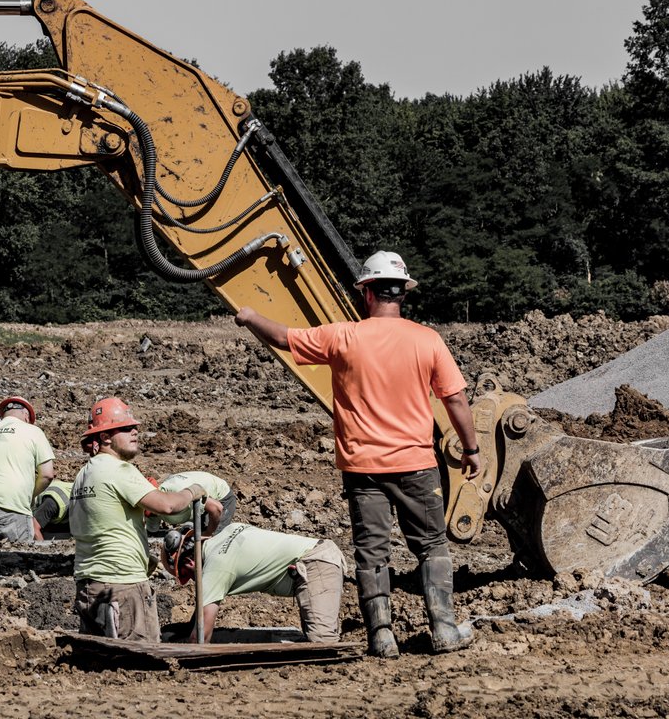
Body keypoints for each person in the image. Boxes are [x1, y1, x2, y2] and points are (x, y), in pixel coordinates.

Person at [235, 250, 482, 657]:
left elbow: (283, 338)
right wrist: (470, 448)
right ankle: (444, 627)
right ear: (402, 292)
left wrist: (249, 317)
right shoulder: (428, 340)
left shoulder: (342, 336)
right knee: (432, 546)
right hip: (417, 464)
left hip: (362, 468)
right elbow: (455, 399)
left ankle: (381, 637)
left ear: (366, 292)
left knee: (372, 552)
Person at [69, 397, 224, 642]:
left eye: (135, 427)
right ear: (105, 437)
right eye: (126, 428)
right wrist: (193, 490)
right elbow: (168, 506)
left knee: (101, 665)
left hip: (90, 586)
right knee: (141, 665)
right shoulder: (118, 470)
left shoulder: (84, 474)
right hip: (123, 587)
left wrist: (143, 556)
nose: (135, 431)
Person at [163, 521, 345, 644]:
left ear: (189, 562)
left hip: (316, 564)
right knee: (312, 637)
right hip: (316, 557)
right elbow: (203, 606)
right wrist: (187, 628)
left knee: (322, 643)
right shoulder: (229, 530)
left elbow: (202, 635)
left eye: (189, 575)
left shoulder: (217, 565)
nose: (195, 581)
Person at [0, 396, 56, 544]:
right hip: (10, 508)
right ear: (26, 416)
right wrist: (31, 496)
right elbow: (47, 475)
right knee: (20, 560)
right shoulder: (33, 431)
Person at [146, 471, 236, 535]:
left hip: (219, 497)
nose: (153, 513)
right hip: (199, 500)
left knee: (211, 542)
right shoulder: (153, 501)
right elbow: (152, 526)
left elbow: (216, 508)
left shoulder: (179, 494)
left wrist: (208, 533)